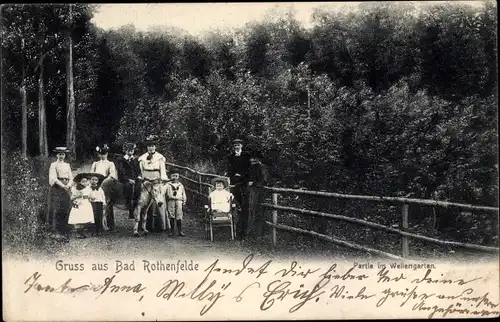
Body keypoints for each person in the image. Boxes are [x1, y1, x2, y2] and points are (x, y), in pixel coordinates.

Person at [134, 134, 170, 235]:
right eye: (149, 146)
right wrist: (142, 179)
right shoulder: (142, 158)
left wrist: (161, 180)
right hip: (146, 181)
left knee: (158, 200)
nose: (151, 148)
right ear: (147, 147)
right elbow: (141, 172)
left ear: (155, 147)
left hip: (157, 181)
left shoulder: (160, 158)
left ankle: (160, 226)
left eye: (153, 146)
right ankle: (143, 225)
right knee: (143, 200)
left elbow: (163, 172)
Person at [225, 138, 251, 239]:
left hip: (244, 183)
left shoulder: (246, 156)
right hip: (235, 183)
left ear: (242, 146)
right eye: (235, 145)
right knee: (236, 205)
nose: (237, 147)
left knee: (245, 207)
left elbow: (249, 169)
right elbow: (229, 169)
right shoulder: (230, 157)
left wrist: (242, 176)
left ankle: (244, 232)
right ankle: (236, 231)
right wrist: (233, 175)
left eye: (238, 145)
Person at [48, 147, 73, 242]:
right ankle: (56, 231)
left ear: (65, 155)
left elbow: (71, 177)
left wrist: (69, 185)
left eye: (63, 154)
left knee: (66, 207)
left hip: (66, 187)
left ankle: (65, 230)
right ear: (56, 155)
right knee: (57, 208)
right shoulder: (53, 165)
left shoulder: (67, 165)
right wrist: (63, 185)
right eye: (59, 154)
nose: (61, 156)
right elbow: (53, 178)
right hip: (58, 188)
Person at [91, 144, 117, 231]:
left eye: (104, 153)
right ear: (99, 154)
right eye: (101, 154)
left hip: (106, 183)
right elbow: (91, 174)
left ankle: (109, 224)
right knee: (95, 202)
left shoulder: (110, 164)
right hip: (96, 183)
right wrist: (94, 182)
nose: (103, 155)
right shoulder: (95, 164)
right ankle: (96, 224)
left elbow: (112, 175)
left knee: (107, 203)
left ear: (107, 154)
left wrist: (104, 182)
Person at [245, 149, 269, 239]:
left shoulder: (262, 167)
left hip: (259, 193)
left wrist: (254, 183)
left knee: (257, 212)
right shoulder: (251, 167)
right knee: (251, 211)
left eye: (254, 158)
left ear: (258, 159)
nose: (252, 160)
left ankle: (258, 234)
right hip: (251, 192)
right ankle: (251, 233)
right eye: (251, 158)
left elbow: (264, 181)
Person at [116, 142, 141, 219]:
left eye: (132, 150)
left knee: (140, 187)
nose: (130, 152)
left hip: (135, 178)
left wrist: (139, 176)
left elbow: (138, 169)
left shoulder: (136, 159)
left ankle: (137, 203)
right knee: (128, 187)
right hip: (125, 179)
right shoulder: (121, 159)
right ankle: (129, 208)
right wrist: (128, 179)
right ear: (125, 151)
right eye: (128, 150)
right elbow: (121, 171)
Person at [68, 173, 95, 239]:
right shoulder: (75, 189)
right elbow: (71, 198)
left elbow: (90, 196)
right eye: (83, 182)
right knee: (78, 217)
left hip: (86, 204)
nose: (85, 183)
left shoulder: (88, 189)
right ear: (79, 182)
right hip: (79, 204)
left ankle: (81, 231)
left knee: (84, 218)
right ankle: (78, 232)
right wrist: (78, 196)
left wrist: (91, 198)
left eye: (86, 181)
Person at [165, 171, 187, 237]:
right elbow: (164, 193)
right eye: (173, 176)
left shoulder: (180, 185)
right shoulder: (168, 185)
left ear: (178, 176)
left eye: (176, 176)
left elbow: (183, 193)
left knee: (179, 215)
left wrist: (184, 200)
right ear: (170, 177)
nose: (175, 178)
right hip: (171, 200)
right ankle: (172, 231)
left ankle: (179, 231)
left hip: (179, 200)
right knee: (171, 215)